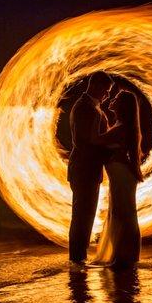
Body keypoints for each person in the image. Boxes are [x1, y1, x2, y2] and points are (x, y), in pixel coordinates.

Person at [90, 90, 143, 268]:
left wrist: (98, 114)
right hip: (120, 175)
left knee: (123, 215)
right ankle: (124, 257)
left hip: (122, 175)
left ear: (123, 106)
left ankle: (123, 258)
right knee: (122, 214)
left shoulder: (121, 128)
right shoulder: (121, 126)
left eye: (117, 99)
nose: (112, 100)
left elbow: (95, 140)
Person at [67, 71, 114, 263]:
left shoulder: (91, 106)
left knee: (85, 216)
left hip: (87, 169)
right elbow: (86, 141)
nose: (107, 95)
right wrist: (113, 144)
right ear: (95, 86)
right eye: (106, 90)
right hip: (84, 170)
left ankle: (79, 258)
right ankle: (77, 260)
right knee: (82, 217)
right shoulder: (85, 108)